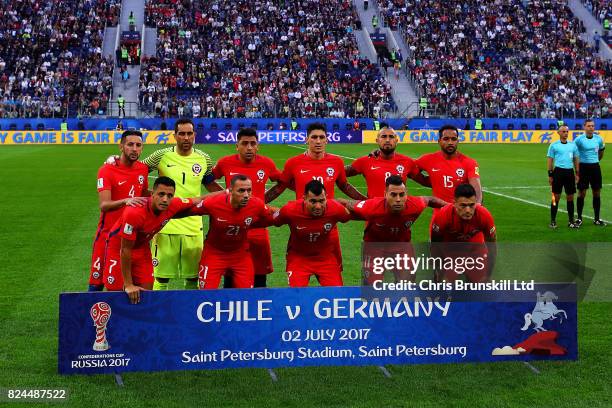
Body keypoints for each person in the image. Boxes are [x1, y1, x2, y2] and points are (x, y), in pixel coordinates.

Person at [265, 122, 366, 271]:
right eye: (314, 137)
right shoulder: (293, 163)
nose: (318, 141)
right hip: (301, 221)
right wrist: (259, 202)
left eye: (321, 137)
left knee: (333, 271)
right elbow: (279, 187)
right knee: (299, 267)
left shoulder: (336, 162)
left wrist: (366, 202)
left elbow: (345, 186)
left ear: (327, 139)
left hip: (329, 222)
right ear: (307, 139)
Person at [141, 118, 222, 289]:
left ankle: (189, 313)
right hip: (164, 225)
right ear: (175, 136)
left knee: (193, 278)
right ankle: (159, 312)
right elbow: (137, 171)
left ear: (194, 135)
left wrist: (229, 195)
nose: (186, 138)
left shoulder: (204, 159)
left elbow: (210, 185)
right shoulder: (161, 156)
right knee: (161, 278)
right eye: (182, 134)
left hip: (193, 226)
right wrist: (115, 161)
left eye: (189, 133)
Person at [103, 177, 204, 303]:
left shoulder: (173, 204)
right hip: (118, 248)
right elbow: (125, 250)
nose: (165, 199)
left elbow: (198, 200)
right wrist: (128, 284)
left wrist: (227, 192)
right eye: (161, 194)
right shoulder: (134, 213)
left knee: (146, 295)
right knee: (115, 296)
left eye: (169, 195)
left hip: (141, 248)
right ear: (152, 194)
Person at [337, 175, 447, 283]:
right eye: (393, 195)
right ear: (385, 194)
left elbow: (429, 199)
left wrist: (450, 207)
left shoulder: (415, 204)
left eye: (402, 194)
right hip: (375, 247)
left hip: (401, 247)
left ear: (406, 194)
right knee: (372, 285)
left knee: (407, 283)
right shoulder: (371, 206)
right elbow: (345, 203)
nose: (398, 199)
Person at [211, 128, 282, 287]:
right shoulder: (225, 162)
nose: (249, 147)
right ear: (237, 145)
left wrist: (266, 199)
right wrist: (224, 197)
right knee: (231, 278)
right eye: (244, 143)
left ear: (258, 146)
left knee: (260, 278)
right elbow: (208, 179)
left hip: (258, 228)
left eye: (253, 144)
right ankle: (231, 310)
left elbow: (282, 182)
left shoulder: (266, 163)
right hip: (233, 227)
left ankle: (258, 311)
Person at [188, 175, 275, 289]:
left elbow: (275, 215)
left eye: (249, 190)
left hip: (240, 255)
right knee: (206, 294)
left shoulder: (256, 204)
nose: (246, 195)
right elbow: (189, 211)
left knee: (246, 295)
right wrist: (166, 213)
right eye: (241, 191)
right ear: (230, 191)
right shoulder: (213, 203)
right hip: (214, 254)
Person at [89, 130, 149, 291]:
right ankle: (89, 315)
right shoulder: (106, 170)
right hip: (106, 236)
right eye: (130, 144)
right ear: (121, 146)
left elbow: (143, 196)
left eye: (138, 145)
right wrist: (126, 201)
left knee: (128, 283)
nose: (134, 149)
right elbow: (104, 205)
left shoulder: (143, 169)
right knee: (97, 284)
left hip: (129, 237)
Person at [270, 180, 351, 287]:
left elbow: (350, 215)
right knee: (296, 296)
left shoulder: (335, 209)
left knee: (336, 295)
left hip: (325, 258)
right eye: (313, 201)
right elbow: (275, 220)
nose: (318, 206)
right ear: (304, 199)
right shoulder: (290, 210)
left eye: (322, 201)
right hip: (298, 259)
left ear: (326, 197)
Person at [415, 125, 481, 225]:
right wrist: (431, 181)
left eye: (453, 139)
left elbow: (476, 186)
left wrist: (478, 205)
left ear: (458, 141)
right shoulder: (428, 159)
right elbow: (410, 170)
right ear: (439, 141)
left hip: (463, 214)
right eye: (446, 139)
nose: (450, 142)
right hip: (440, 216)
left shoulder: (469, 162)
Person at [430, 184, 497, 283]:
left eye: (471, 205)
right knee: (444, 284)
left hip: (474, 249)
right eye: (463, 205)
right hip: (450, 252)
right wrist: (439, 271)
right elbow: (435, 247)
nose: (468, 210)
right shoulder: (443, 216)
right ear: (454, 203)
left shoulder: (484, 215)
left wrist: (488, 274)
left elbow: (492, 247)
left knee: (480, 284)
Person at [345, 125, 430, 198]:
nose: (388, 140)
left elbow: (424, 181)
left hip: (399, 213)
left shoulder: (407, 162)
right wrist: (362, 200)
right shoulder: (365, 161)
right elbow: (339, 172)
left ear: (396, 141)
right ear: (377, 140)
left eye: (391, 137)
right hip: (373, 214)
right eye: (384, 136)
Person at [547, 125, 580, 229]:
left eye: (567, 131)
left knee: (570, 197)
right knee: (555, 198)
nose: (566, 133)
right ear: (559, 133)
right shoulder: (554, 145)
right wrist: (550, 175)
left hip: (569, 173)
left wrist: (577, 173)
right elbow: (550, 160)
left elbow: (576, 159)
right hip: (558, 173)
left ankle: (571, 221)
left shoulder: (573, 145)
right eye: (563, 132)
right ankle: (553, 221)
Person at [574, 119, 606, 226]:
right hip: (583, 168)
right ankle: (579, 218)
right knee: (582, 193)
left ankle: (597, 219)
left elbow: (601, 152)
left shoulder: (599, 139)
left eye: (592, 126)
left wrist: (595, 161)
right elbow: (574, 153)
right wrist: (576, 168)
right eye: (588, 126)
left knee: (596, 192)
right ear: (584, 127)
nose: (591, 128)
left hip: (595, 167)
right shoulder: (579, 139)